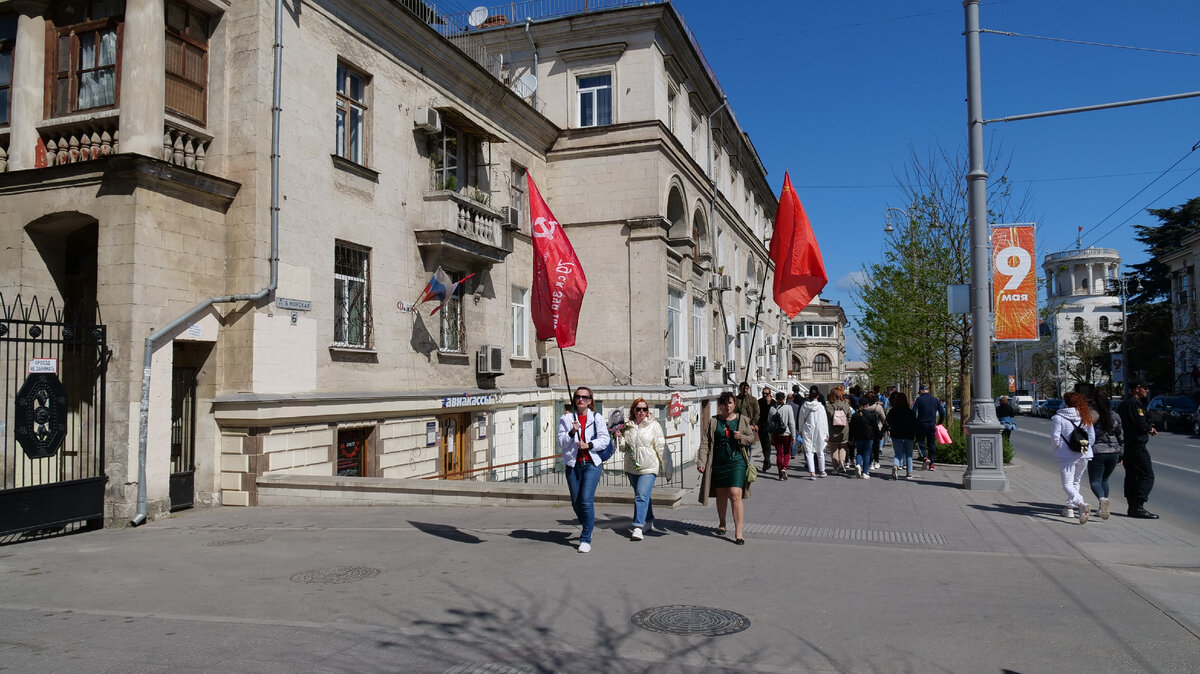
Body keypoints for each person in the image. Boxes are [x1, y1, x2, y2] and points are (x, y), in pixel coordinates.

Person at [697, 391, 756, 544]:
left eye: (730, 403)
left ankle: (739, 532)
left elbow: (751, 439)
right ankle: (722, 523)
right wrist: (701, 462)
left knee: (735, 493)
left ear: (734, 404)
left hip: (736, 461)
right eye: (724, 404)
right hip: (719, 461)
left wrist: (741, 437)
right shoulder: (713, 422)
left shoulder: (743, 420)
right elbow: (705, 443)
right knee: (721, 495)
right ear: (720, 406)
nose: (727, 406)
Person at [557, 386, 611, 553]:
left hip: (591, 464)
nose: (581, 400)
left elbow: (604, 439)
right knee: (576, 502)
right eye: (578, 397)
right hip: (573, 464)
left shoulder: (596, 418)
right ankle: (588, 524)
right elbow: (561, 442)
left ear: (590, 401)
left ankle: (586, 537)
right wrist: (573, 432)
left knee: (586, 500)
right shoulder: (566, 419)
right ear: (574, 399)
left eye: (585, 397)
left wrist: (589, 445)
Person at [621, 398, 664, 541]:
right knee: (643, 496)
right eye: (638, 409)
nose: (641, 412)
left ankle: (638, 527)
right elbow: (623, 448)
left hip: (649, 467)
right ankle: (649, 520)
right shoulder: (628, 426)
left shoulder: (654, 425)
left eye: (644, 409)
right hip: (632, 467)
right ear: (633, 410)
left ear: (647, 411)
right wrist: (618, 437)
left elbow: (661, 446)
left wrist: (667, 469)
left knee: (640, 496)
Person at [1052, 391, 1096, 524]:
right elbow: (1092, 437)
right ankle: (1070, 509)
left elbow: (1055, 437)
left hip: (1066, 455)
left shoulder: (1059, 417)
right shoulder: (1085, 416)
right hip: (1084, 454)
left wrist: (1058, 448)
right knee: (1076, 481)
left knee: (1067, 484)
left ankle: (1081, 503)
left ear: (1066, 403)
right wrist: (1085, 448)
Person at [1118, 382, 1159, 519]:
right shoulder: (1132, 404)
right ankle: (1138, 506)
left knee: (1132, 475)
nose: (1147, 390)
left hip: (1129, 444)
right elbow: (1139, 423)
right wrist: (1148, 427)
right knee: (1147, 475)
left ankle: (1132, 507)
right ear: (1137, 389)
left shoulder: (1130, 403)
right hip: (1135, 444)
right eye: (1144, 388)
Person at [1087, 389, 1123, 520]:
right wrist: (1121, 453)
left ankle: (1102, 500)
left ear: (1094, 400)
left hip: (1097, 451)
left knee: (1095, 481)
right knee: (1105, 479)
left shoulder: (1092, 415)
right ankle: (1103, 507)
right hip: (1114, 450)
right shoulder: (1115, 415)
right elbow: (1120, 435)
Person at [797, 385, 829, 480]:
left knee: (809, 451)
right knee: (820, 450)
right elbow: (825, 421)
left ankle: (812, 473)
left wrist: (800, 430)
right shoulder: (821, 407)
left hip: (808, 429)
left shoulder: (804, 406)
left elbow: (801, 419)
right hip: (820, 430)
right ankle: (822, 470)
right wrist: (827, 434)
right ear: (818, 396)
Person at [913, 384, 945, 470]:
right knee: (931, 444)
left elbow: (913, 412)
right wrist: (939, 423)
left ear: (922, 390)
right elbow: (942, 412)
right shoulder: (935, 400)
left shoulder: (919, 399)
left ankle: (925, 457)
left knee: (920, 442)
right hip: (932, 424)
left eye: (919, 391)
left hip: (921, 424)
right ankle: (932, 464)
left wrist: (915, 422)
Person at [886, 391, 917, 479]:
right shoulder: (910, 412)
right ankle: (909, 472)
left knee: (898, 453)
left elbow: (887, 421)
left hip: (896, 434)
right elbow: (914, 423)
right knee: (909, 454)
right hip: (908, 435)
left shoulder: (893, 411)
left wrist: (889, 429)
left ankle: (895, 465)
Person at [848, 397, 879, 479]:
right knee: (867, 454)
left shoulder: (855, 415)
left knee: (859, 452)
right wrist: (878, 435)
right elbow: (875, 427)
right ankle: (865, 472)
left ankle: (858, 464)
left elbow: (851, 428)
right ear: (867, 405)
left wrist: (850, 438)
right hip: (869, 437)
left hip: (858, 437)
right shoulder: (871, 415)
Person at [825, 386, 854, 475]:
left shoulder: (828, 405)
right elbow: (850, 417)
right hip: (844, 429)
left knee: (834, 449)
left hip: (833, 429)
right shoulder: (845, 404)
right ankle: (842, 461)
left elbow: (829, 416)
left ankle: (835, 468)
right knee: (843, 447)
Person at [769, 392, 797, 480]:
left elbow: (769, 423)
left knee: (779, 454)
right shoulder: (788, 408)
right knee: (787, 452)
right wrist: (794, 435)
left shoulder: (772, 409)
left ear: (775, 398)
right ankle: (784, 468)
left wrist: (770, 435)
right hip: (786, 433)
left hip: (776, 434)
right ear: (784, 398)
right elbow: (791, 423)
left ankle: (780, 474)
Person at [867, 392, 886, 468]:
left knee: (869, 446)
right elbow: (883, 418)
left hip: (867, 428)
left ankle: (870, 463)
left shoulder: (865, 406)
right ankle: (876, 461)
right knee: (876, 445)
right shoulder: (878, 407)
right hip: (877, 428)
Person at [757, 386, 774, 472]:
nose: (764, 395)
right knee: (764, 445)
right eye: (763, 393)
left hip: (770, 427)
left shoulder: (773, 403)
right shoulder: (759, 402)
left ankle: (766, 461)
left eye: (766, 394)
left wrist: (768, 404)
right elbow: (757, 414)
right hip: (761, 426)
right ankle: (767, 460)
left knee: (768, 444)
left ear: (770, 394)